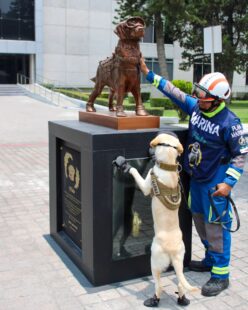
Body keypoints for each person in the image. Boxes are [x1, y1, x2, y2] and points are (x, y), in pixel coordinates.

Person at [140, 58, 248, 297]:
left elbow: (241, 156)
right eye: (199, 95)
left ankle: (221, 275)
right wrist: (149, 74)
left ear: (218, 100)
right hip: (196, 180)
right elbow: (175, 93)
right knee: (200, 221)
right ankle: (210, 259)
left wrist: (228, 184)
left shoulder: (230, 123)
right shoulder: (197, 109)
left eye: (204, 98)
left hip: (215, 184)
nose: (199, 100)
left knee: (217, 227)